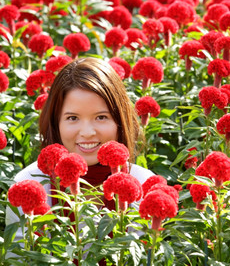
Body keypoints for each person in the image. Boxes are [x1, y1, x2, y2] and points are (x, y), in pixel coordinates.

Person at [6, 57, 154, 227]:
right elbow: (19, 252)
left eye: (101, 117)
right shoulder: (30, 185)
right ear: (56, 123)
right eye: (73, 118)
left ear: (119, 121)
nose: (87, 132)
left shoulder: (143, 185)